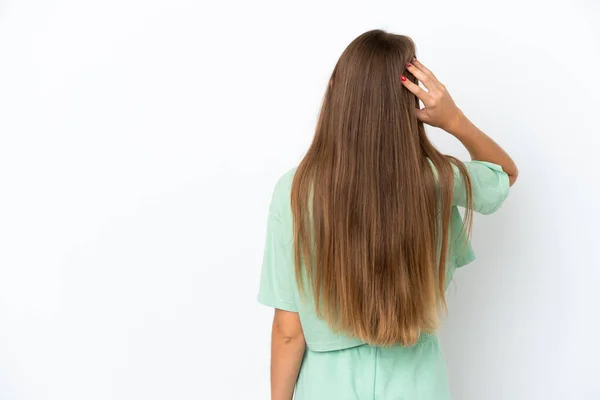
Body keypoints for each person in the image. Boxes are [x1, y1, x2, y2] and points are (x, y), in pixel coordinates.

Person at [257, 29, 518, 400]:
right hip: (417, 384)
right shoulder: (436, 179)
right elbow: (504, 174)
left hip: (326, 387)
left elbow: (288, 329)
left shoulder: (295, 190)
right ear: (409, 102)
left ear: (334, 89)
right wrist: (453, 119)